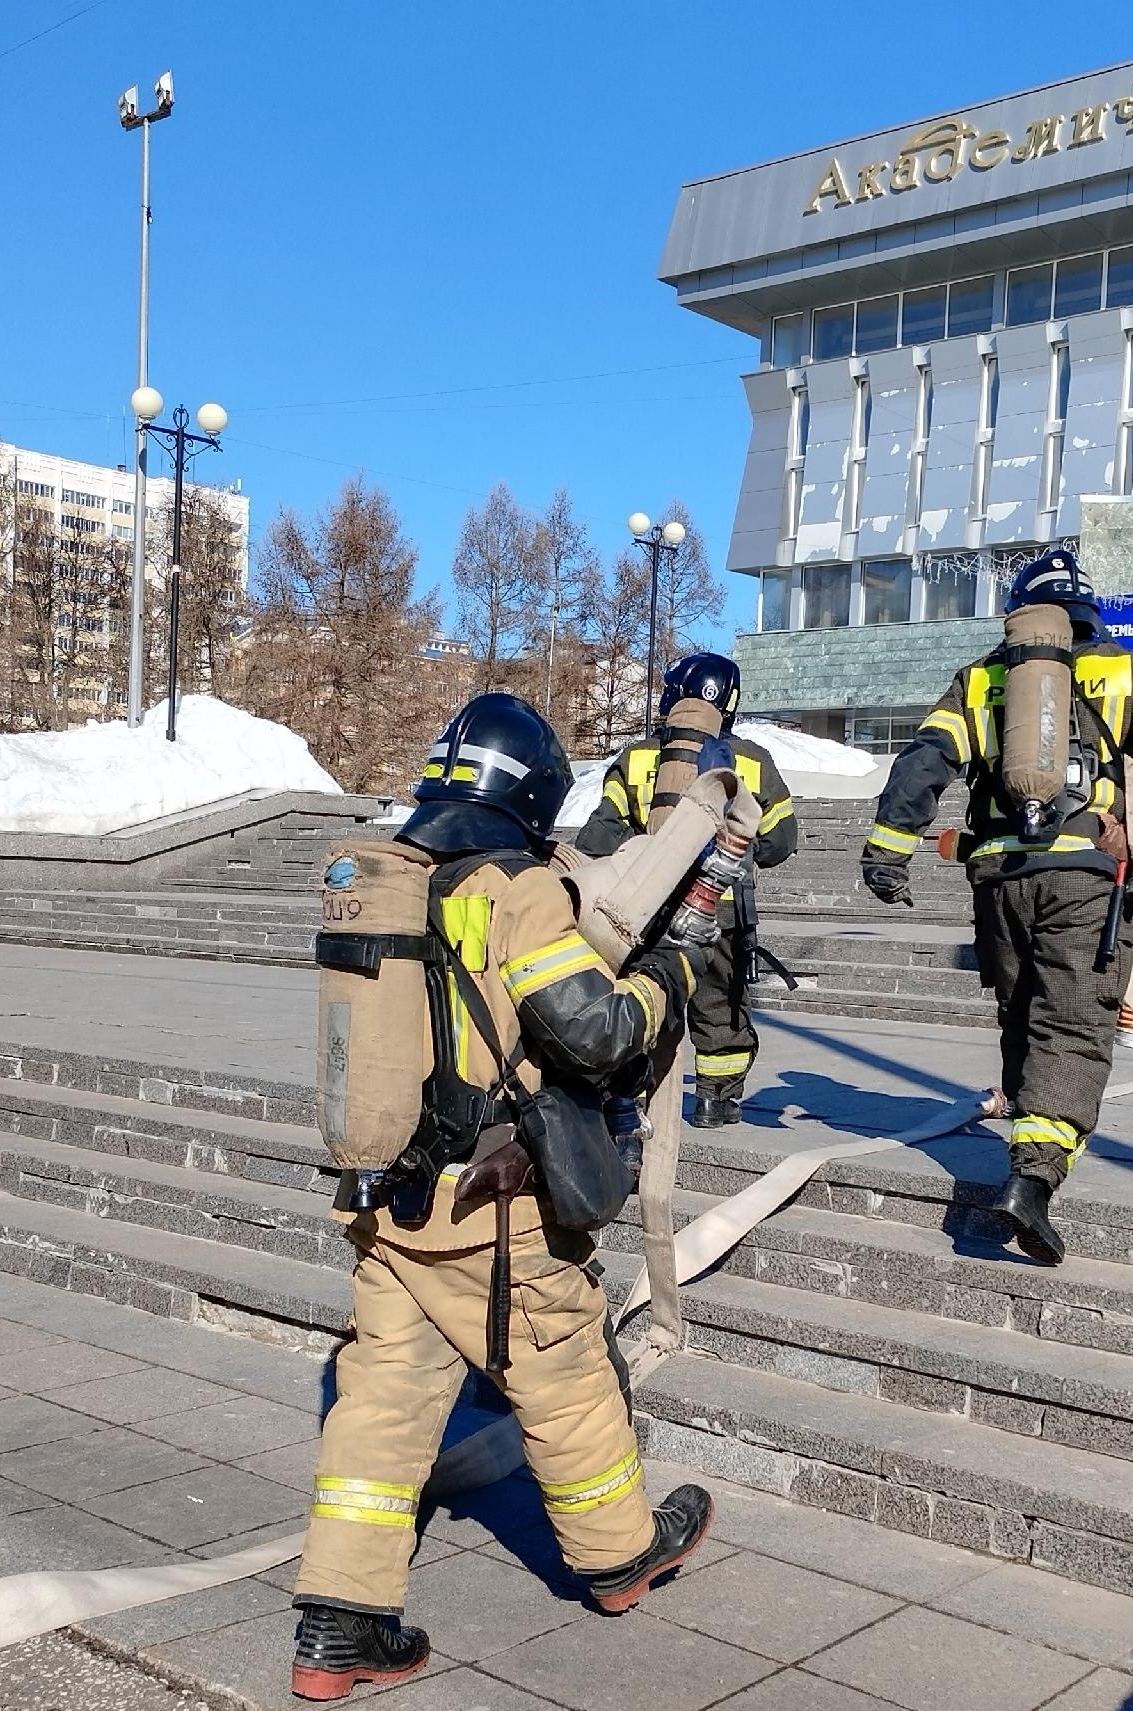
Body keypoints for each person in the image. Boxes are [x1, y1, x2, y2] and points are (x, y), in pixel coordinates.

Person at [291, 691, 712, 1701]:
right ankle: (618, 1558)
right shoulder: (511, 886)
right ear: (528, 797)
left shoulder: (381, 876)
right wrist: (669, 981)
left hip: (388, 1201)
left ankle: (336, 1628)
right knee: (563, 1369)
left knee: (383, 1397)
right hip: (494, 1207)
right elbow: (597, 1029)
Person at [857, 549, 1133, 1266]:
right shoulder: (1120, 671)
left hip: (997, 878)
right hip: (1083, 874)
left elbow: (924, 761)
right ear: (1085, 608)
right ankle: (1034, 1178)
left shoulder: (983, 679)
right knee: (1074, 1024)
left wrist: (887, 849)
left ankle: (1028, 1143)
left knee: (1022, 1013)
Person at [575, 652, 799, 1128]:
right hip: (722, 906)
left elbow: (597, 839)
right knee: (720, 1004)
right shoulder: (753, 761)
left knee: (644, 992)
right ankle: (715, 1102)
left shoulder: (637, 757)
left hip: (649, 903)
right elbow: (782, 840)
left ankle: (627, 1102)